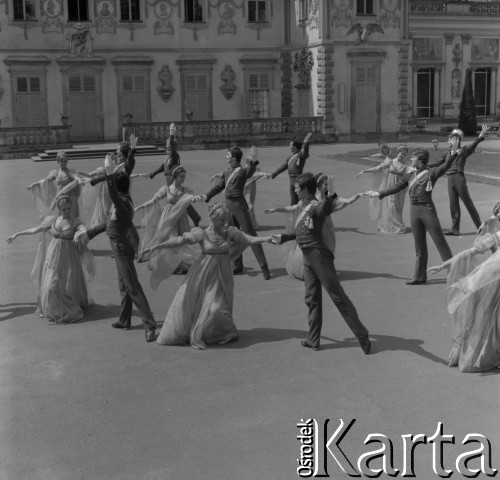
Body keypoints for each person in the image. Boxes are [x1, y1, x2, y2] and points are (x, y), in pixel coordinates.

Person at [142, 203, 274, 350]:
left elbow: (248, 239)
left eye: (226, 219)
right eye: (222, 219)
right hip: (204, 273)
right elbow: (179, 240)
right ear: (212, 218)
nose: (225, 222)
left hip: (223, 275)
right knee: (210, 306)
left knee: (220, 306)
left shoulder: (230, 232)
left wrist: (267, 238)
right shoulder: (201, 234)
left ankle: (220, 333)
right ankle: (202, 332)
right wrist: (156, 247)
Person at [271, 173, 371, 353]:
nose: (294, 189)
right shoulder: (303, 206)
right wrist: (284, 237)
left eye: (297, 187)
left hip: (320, 257)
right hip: (308, 259)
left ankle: (362, 334)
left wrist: (331, 195)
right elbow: (302, 232)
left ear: (305, 189)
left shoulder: (316, 206)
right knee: (312, 300)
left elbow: (324, 209)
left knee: (338, 297)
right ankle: (313, 339)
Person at [86, 154, 157, 342]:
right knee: (123, 286)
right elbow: (108, 224)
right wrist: (90, 233)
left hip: (122, 248)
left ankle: (150, 324)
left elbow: (113, 194)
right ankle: (125, 320)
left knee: (133, 287)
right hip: (117, 247)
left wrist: (109, 174)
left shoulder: (123, 203)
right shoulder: (122, 202)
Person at [364, 146, 460, 285]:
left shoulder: (431, 173)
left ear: (420, 159)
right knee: (419, 246)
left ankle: (454, 274)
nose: (410, 159)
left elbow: (446, 166)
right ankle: (420, 277)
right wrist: (379, 193)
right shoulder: (410, 174)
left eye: (413, 157)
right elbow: (398, 186)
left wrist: (452, 153)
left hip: (427, 210)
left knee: (440, 242)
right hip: (414, 211)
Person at [7, 195, 94, 324]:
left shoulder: (75, 222)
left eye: (69, 208)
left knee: (68, 283)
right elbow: (36, 229)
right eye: (64, 209)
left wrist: (78, 233)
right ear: (59, 209)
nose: (67, 211)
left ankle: (69, 304)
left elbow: (83, 229)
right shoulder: (53, 220)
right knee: (51, 285)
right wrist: (18, 234)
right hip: (53, 257)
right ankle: (54, 308)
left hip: (69, 258)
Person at [265, 173, 361, 280]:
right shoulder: (311, 201)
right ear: (319, 186)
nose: (327, 186)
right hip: (316, 229)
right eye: (325, 184)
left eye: (328, 185)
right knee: (316, 248)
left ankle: (316, 271)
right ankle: (316, 272)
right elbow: (295, 208)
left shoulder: (327, 197)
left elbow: (338, 204)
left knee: (322, 248)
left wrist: (351, 200)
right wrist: (277, 209)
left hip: (325, 226)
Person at [193, 146, 271, 279]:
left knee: (251, 235)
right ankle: (237, 266)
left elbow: (250, 171)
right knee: (232, 236)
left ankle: (264, 267)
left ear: (234, 158)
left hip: (239, 206)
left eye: (228, 155)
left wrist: (253, 160)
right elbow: (218, 187)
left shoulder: (241, 171)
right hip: (228, 207)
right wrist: (206, 196)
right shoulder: (226, 172)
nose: (226, 157)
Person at [427, 232, 500, 372]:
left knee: (489, 320)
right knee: (484, 319)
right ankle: (479, 356)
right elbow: (472, 252)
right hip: (488, 284)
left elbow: (473, 252)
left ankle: (485, 354)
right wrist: (448, 263)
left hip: (487, 283)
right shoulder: (498, 235)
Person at [135, 166, 200, 285]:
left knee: (181, 238)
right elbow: (153, 200)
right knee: (168, 239)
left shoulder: (186, 190)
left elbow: (192, 199)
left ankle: (180, 264)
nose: (183, 179)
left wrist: (197, 198)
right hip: (168, 218)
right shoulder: (166, 189)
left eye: (184, 176)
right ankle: (168, 263)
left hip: (181, 217)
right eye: (181, 176)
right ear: (175, 176)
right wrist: (139, 207)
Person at [428, 125, 489, 236]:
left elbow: (474, 144)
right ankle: (455, 229)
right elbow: (436, 163)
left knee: (467, 202)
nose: (448, 141)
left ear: (456, 141)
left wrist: (481, 135)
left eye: (450, 139)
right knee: (453, 204)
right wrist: (423, 166)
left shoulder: (464, 150)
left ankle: (480, 227)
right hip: (450, 179)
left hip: (458, 177)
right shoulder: (447, 153)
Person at [142, 123, 201, 227]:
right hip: (170, 184)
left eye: (168, 148)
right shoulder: (168, 158)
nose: (167, 150)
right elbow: (162, 167)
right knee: (179, 202)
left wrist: (172, 135)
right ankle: (191, 218)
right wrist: (153, 174)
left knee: (180, 201)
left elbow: (173, 149)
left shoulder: (174, 156)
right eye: (166, 148)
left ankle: (193, 218)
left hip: (175, 183)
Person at [357, 145, 410, 233]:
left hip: (399, 188)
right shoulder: (391, 162)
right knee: (391, 206)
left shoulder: (404, 164)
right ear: (398, 152)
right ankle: (392, 226)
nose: (403, 155)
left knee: (397, 207)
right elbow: (377, 168)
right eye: (402, 153)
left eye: (405, 154)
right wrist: (364, 171)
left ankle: (392, 225)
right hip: (390, 187)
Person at [27, 151, 88, 220]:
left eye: (65, 161)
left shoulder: (70, 172)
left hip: (71, 199)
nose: (64, 163)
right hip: (60, 199)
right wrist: (34, 184)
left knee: (72, 217)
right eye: (62, 161)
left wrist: (79, 180)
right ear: (58, 161)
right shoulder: (56, 173)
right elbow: (45, 180)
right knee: (60, 217)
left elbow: (75, 177)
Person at [268, 133, 312, 205]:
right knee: (293, 202)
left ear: (295, 146)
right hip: (291, 180)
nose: (289, 147)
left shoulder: (300, 155)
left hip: (298, 180)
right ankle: (295, 214)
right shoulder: (289, 157)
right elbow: (283, 167)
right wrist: (273, 174)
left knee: (302, 200)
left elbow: (306, 153)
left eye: (290, 145)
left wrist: (306, 143)